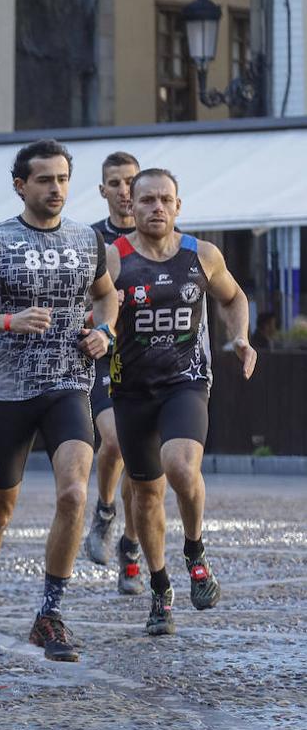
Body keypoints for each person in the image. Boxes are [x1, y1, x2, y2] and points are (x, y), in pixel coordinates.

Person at [0, 139, 118, 667]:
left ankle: (50, 613)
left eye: (62, 178)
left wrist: (103, 330)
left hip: (68, 384)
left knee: (73, 494)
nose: (55, 188)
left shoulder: (88, 240)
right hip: (9, 392)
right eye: (44, 179)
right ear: (21, 185)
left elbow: (108, 294)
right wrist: (7, 322)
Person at [108, 168, 256, 636]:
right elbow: (95, 309)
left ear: (178, 206)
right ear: (131, 205)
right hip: (130, 388)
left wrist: (241, 339)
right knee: (146, 493)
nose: (156, 208)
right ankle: (159, 587)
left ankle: (195, 550)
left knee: (181, 467)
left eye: (164, 200)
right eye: (146, 199)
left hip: (186, 381)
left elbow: (233, 298)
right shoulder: (114, 259)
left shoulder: (201, 255)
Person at [85, 151, 143, 593]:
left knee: (144, 468)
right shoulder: (88, 241)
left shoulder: (163, 234)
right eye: (116, 183)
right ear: (102, 190)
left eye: (131, 182)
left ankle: (132, 548)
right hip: (107, 356)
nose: (125, 191)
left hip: (153, 361)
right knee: (114, 440)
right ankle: (105, 510)